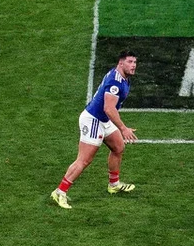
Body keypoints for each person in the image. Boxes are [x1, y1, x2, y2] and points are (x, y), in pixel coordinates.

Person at [52, 51, 139, 209]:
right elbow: (108, 108)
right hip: (94, 121)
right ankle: (59, 192)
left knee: (118, 147)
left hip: (103, 120)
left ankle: (114, 184)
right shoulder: (115, 83)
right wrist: (123, 128)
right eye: (130, 62)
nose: (133, 65)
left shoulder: (123, 77)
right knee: (84, 160)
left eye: (135, 62)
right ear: (121, 63)